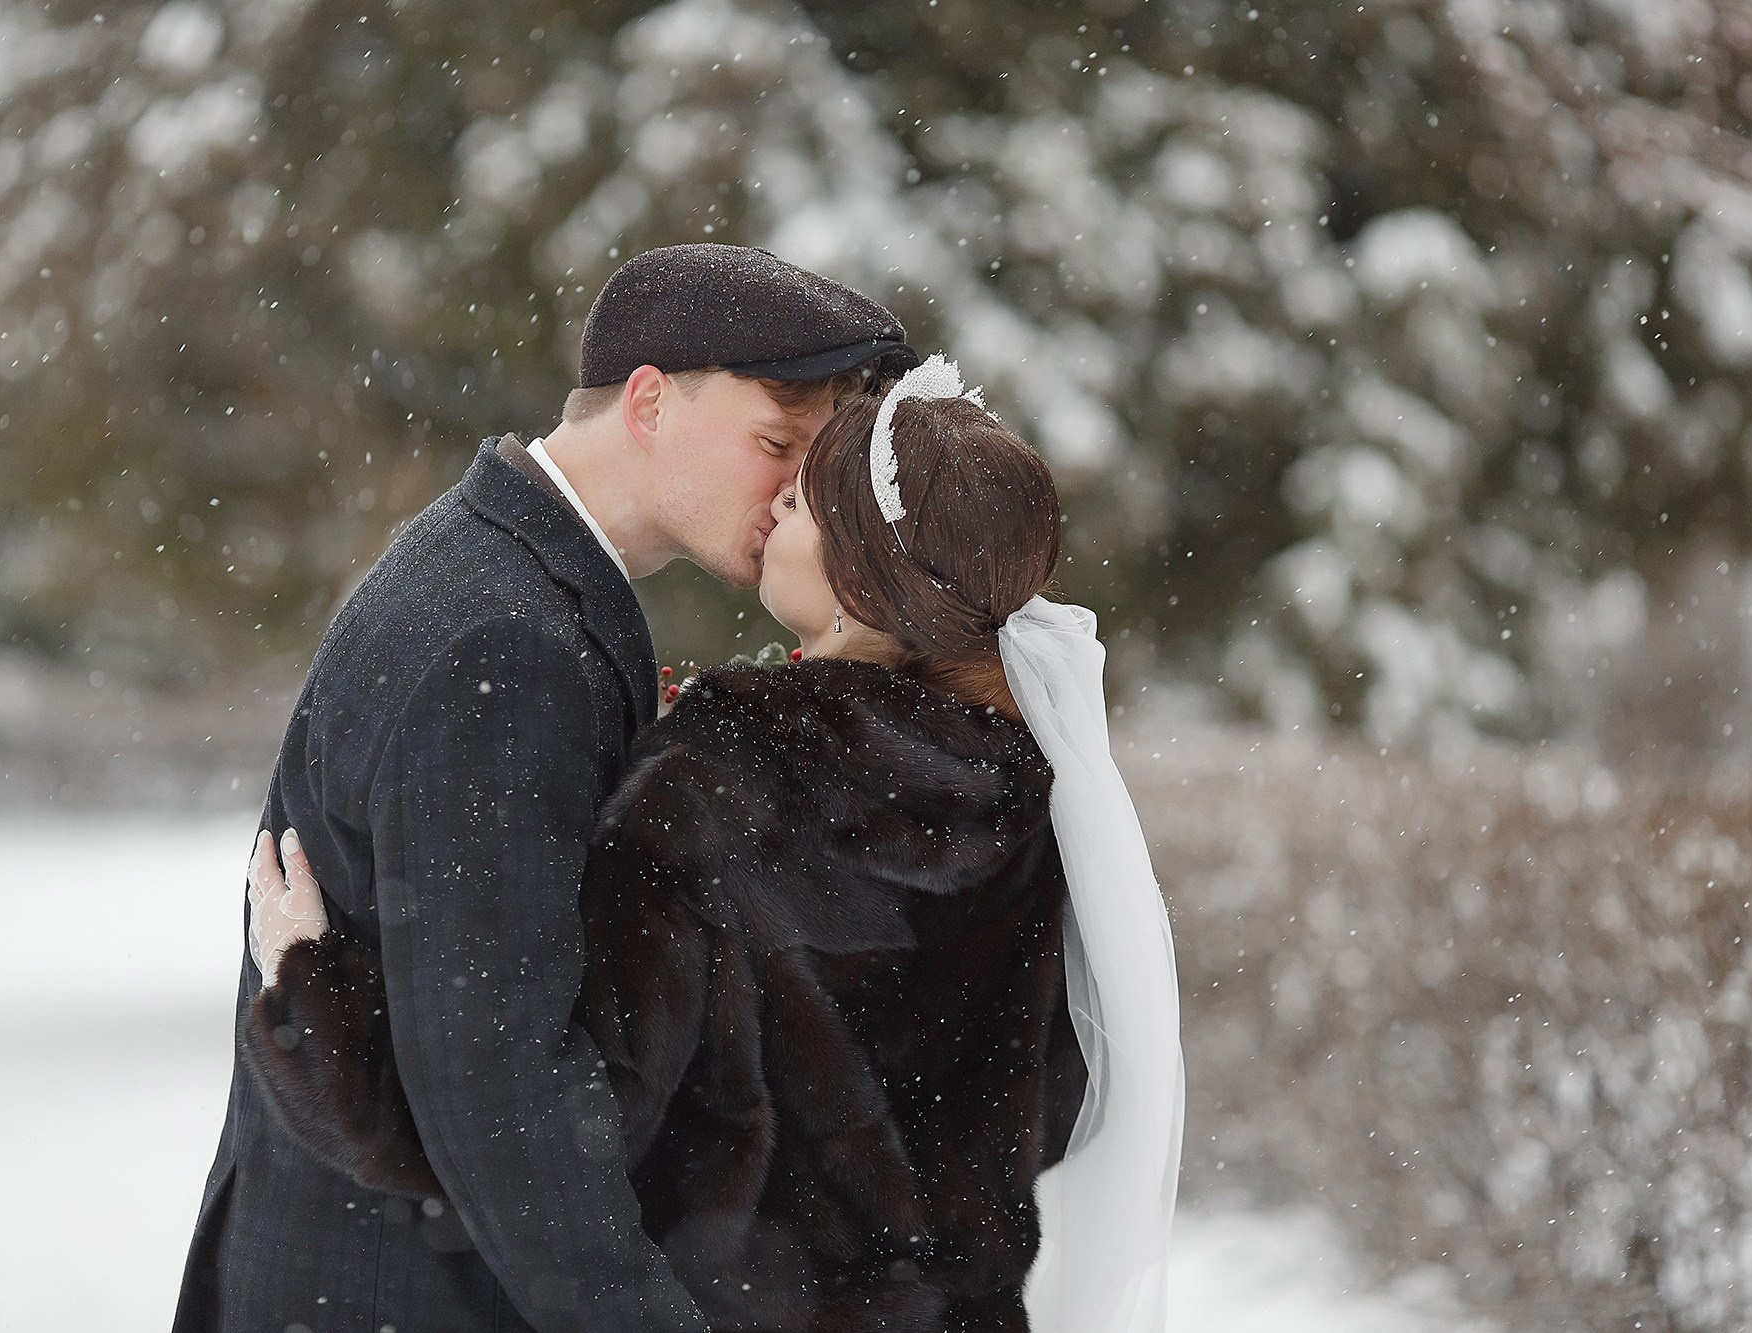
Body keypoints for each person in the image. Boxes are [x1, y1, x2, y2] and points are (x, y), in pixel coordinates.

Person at [240, 358, 1186, 1330]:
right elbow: (1060, 1096)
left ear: (858, 579)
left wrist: (315, 1001)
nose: (772, 509)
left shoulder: (724, 775)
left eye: (801, 502)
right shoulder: (1027, 792)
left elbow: (558, 1124)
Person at [173, 243, 918, 1333]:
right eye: (775, 445)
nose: (795, 492)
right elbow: (504, 1095)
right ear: (649, 403)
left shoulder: (505, 576)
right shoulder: (507, 640)